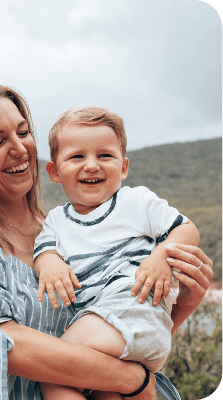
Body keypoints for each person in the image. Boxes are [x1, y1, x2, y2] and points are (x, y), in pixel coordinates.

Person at [0, 84, 213, 400]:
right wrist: (129, 380)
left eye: (23, 133)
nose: (20, 149)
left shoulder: (62, 233)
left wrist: (182, 305)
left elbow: (125, 336)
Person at [33, 106, 200, 400]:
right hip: (105, 325)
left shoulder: (135, 201)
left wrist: (161, 254)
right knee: (104, 394)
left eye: (104, 155)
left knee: (54, 375)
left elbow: (187, 229)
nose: (92, 165)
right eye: (77, 156)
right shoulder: (57, 220)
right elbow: (43, 251)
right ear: (54, 171)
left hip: (132, 309)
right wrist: (49, 263)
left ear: (123, 167)